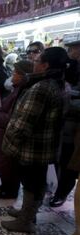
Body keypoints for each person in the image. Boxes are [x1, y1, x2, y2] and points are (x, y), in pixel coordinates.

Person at [1, 47, 67, 233]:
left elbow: (24, 122)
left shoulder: (41, 87)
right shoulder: (58, 83)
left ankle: (25, 221)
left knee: (31, 183)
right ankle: (27, 213)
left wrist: (11, 140)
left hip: (32, 146)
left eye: (37, 61)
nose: (34, 63)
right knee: (35, 181)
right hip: (45, 145)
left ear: (45, 65)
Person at [0, 60, 34, 199]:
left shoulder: (23, 91)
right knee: (3, 162)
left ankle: (10, 190)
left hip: (9, 130)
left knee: (9, 164)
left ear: (23, 75)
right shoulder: (18, 88)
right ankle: (5, 186)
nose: (12, 76)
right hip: (4, 130)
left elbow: (11, 116)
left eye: (15, 73)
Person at [49, 38, 80, 208]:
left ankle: (61, 193)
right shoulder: (71, 66)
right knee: (60, 159)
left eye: (73, 48)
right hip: (65, 123)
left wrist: (67, 96)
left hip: (74, 126)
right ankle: (57, 188)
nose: (70, 52)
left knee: (68, 162)